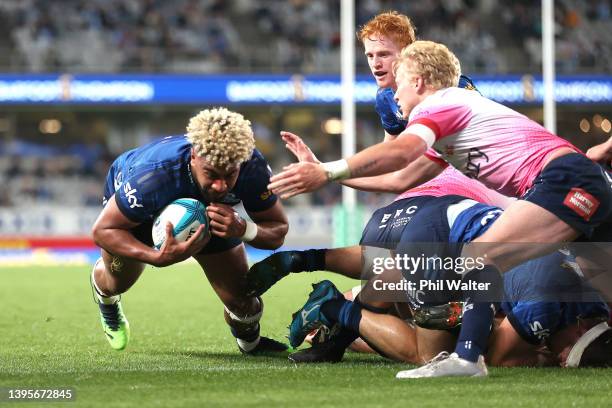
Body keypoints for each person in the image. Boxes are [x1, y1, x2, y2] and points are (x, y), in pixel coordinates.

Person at [267, 40, 612, 374]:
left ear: (418, 81)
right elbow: (400, 179)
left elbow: (400, 152)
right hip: (583, 180)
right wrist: (327, 176)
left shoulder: (442, 103)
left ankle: (466, 360)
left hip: (563, 181)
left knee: (479, 256)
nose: (395, 95)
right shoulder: (457, 118)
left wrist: (328, 169)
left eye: (399, 85)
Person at [90, 107, 289, 354]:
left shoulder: (252, 168)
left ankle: (251, 344)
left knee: (244, 305)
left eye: (230, 175)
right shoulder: (152, 176)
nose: (221, 185)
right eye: (212, 174)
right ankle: (106, 299)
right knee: (117, 282)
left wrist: (244, 229)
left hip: (209, 213)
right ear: (194, 155)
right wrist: (156, 258)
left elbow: (278, 231)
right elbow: (103, 230)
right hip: (142, 211)